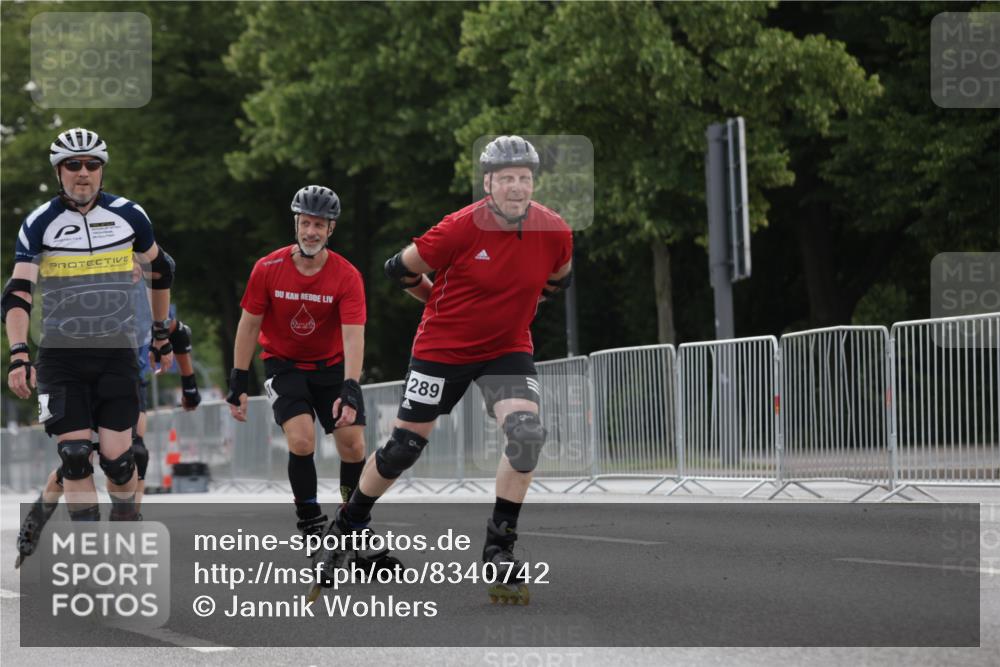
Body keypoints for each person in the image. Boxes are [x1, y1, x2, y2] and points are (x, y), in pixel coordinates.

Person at [318, 135, 573, 604]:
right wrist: (435, 298)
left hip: (506, 349)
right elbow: (399, 268)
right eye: (507, 179)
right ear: (489, 183)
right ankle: (349, 525)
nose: (517, 187)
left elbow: (559, 278)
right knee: (403, 449)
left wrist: (516, 312)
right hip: (443, 346)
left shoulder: (554, 231)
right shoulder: (460, 228)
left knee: (527, 434)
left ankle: (499, 548)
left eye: (525, 178)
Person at [3, 127, 175, 526]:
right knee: (75, 456)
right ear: (58, 171)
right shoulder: (39, 222)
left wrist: (161, 332)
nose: (84, 173)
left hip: (116, 352)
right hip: (61, 357)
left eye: (92, 164)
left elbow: (161, 270)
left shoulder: (129, 215)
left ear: (102, 170)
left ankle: (127, 521)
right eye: (73, 165)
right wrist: (18, 354)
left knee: (118, 461)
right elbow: (19, 292)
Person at [226, 185, 374, 561]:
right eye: (306, 223)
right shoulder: (268, 268)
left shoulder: (346, 275)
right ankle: (310, 519)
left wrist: (351, 386)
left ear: (331, 230)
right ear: (296, 224)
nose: (311, 232)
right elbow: (248, 325)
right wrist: (238, 379)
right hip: (285, 365)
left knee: (353, 443)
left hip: (333, 367)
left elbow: (354, 335)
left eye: (319, 225)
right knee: (302, 440)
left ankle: (352, 522)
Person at [13, 313, 201, 568]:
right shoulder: (97, 292)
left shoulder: (142, 300)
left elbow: (179, 333)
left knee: (131, 457)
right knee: (75, 459)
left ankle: (126, 534)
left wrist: (189, 384)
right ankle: (39, 514)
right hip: (74, 374)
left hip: (122, 376)